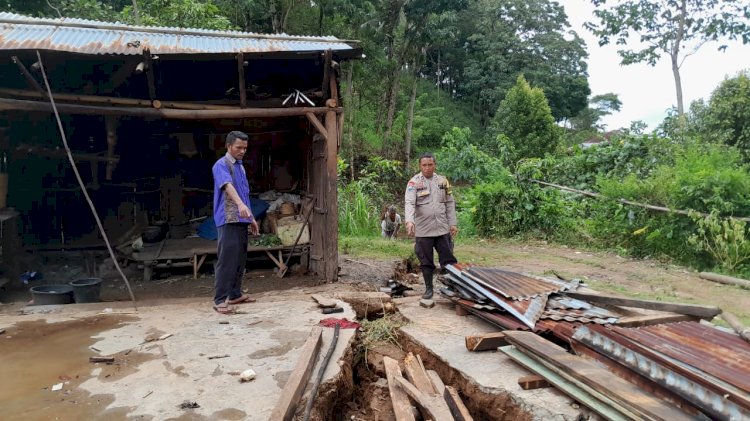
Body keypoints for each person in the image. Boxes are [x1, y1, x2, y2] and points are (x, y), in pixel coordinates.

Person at [211, 131, 260, 314]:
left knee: (240, 257)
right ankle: (219, 299)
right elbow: (228, 186)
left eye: (245, 148)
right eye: (239, 147)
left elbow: (244, 193)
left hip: (241, 218)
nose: (242, 151)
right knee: (227, 259)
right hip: (228, 218)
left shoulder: (240, 167)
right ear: (228, 146)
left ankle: (234, 294)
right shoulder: (221, 165)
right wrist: (240, 205)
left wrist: (252, 219)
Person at [405, 153, 458, 299]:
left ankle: (452, 287)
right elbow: (409, 203)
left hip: (442, 229)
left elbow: (450, 203)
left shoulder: (443, 181)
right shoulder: (413, 183)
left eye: (430, 165)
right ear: (419, 166)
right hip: (424, 231)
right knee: (426, 262)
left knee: (448, 260)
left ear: (435, 165)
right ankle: (429, 289)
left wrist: (452, 223)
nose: (427, 168)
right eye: (424, 165)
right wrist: (410, 221)